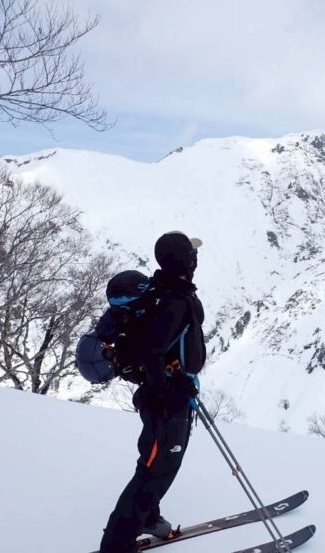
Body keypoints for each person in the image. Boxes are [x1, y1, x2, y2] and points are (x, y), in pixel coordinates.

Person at [99, 231, 207, 553]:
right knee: (156, 472)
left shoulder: (163, 291)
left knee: (152, 460)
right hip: (166, 400)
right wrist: (170, 391)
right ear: (188, 262)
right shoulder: (174, 302)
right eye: (193, 254)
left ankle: (147, 517)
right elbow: (151, 352)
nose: (197, 258)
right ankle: (116, 545)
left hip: (161, 394)